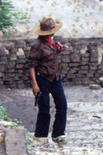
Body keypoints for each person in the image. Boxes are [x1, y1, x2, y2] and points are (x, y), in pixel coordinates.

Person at [28, 17, 68, 145]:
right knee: (44, 109)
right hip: (42, 78)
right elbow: (32, 66)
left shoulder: (51, 41)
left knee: (62, 105)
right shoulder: (37, 46)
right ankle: (41, 136)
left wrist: (59, 50)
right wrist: (35, 85)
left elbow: (51, 55)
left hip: (55, 77)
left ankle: (58, 133)